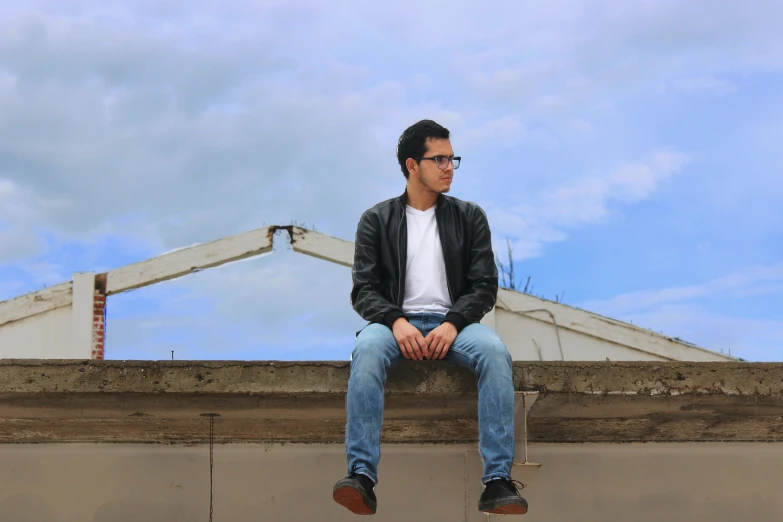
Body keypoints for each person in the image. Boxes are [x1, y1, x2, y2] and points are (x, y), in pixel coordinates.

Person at [332, 119, 528, 516]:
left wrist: (453, 322)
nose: (448, 166)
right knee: (366, 348)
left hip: (456, 326)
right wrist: (395, 321)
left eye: (452, 158)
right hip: (394, 326)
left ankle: (497, 481)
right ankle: (361, 476)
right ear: (410, 165)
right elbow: (363, 289)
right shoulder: (376, 219)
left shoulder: (470, 217)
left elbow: (484, 286)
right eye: (438, 158)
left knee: (493, 352)